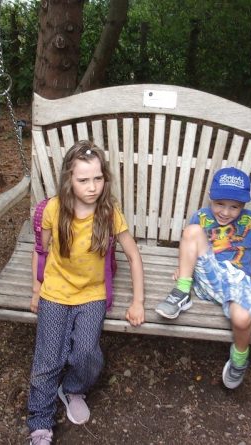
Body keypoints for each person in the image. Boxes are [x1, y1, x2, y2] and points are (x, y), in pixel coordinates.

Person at [27, 140, 145, 445]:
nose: (92, 187)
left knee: (86, 353)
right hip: (55, 290)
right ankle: (40, 422)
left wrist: (138, 301)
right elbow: (40, 251)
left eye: (97, 178)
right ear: (69, 180)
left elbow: (133, 255)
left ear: (105, 177)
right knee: (48, 358)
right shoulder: (53, 209)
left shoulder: (108, 213)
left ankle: (73, 388)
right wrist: (37, 288)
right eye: (83, 180)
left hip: (92, 293)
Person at [155, 167, 251, 389]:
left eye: (234, 207)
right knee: (191, 231)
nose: (226, 212)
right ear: (211, 198)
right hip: (207, 275)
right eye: (220, 204)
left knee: (243, 319)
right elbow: (190, 244)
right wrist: (183, 271)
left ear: (243, 206)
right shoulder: (201, 217)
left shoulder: (249, 221)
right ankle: (182, 293)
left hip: (237, 280)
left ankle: (239, 360)